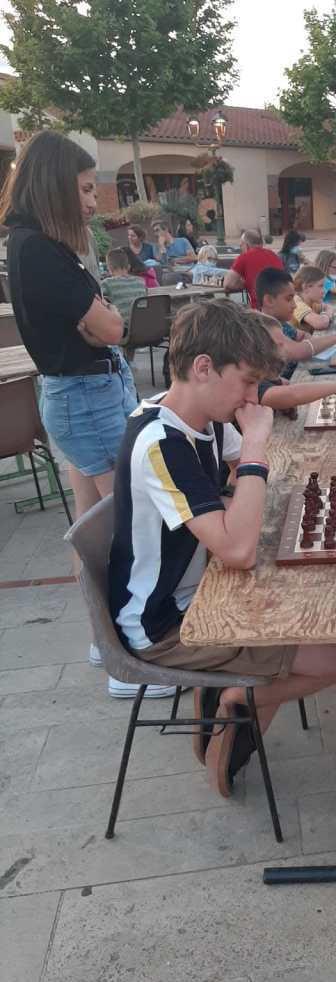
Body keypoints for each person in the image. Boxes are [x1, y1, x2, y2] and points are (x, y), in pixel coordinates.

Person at [108, 299, 336, 786]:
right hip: (166, 624)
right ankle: (237, 699)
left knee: (326, 603)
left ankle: (233, 692)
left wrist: (256, 466)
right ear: (204, 368)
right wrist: (258, 445)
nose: (253, 398)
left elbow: (251, 483)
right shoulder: (160, 443)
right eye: (246, 382)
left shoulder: (203, 417)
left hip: (207, 589)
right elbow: (239, 550)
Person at [2, 131, 136, 669]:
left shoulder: (35, 245)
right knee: (122, 527)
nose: (92, 202)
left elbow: (103, 325)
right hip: (86, 396)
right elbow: (113, 327)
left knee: (91, 527)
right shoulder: (40, 250)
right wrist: (102, 321)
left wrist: (100, 322)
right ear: (55, 187)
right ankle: (127, 649)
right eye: (83, 189)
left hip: (81, 393)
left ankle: (104, 642)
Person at [256, 267, 336, 370]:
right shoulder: (263, 328)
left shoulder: (280, 323)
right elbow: (299, 351)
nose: (294, 305)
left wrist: (328, 344)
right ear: (269, 300)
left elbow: (303, 336)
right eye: (288, 299)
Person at [224, 228, 282, 308]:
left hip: (261, 308)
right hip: (280, 306)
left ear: (246, 245)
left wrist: (244, 283)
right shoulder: (274, 255)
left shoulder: (244, 257)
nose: (240, 247)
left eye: (241, 245)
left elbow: (228, 284)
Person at [100, 248, 148, 330]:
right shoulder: (141, 281)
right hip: (144, 327)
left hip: (124, 329)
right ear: (128, 266)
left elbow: (99, 302)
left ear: (109, 268)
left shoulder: (107, 283)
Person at [292, 265, 332, 332]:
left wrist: (325, 315)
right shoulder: (296, 304)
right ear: (306, 287)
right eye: (320, 286)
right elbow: (320, 323)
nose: (324, 291)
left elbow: (328, 307)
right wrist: (327, 315)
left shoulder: (313, 302)